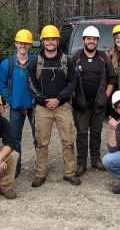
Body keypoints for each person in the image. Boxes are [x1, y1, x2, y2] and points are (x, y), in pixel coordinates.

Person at [27, 25, 80, 187]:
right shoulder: (35, 62)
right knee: (41, 142)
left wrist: (58, 99)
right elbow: (30, 84)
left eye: (53, 39)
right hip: (42, 108)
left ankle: (69, 173)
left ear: (57, 41)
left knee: (68, 141)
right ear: (42, 41)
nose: (50, 42)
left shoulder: (67, 61)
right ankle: (40, 174)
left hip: (63, 106)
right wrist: (44, 100)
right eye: (47, 39)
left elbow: (72, 82)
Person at [72, 26, 116, 177]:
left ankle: (95, 160)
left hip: (99, 104)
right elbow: (69, 79)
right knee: (82, 134)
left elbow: (112, 79)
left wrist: (105, 96)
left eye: (94, 39)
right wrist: (73, 96)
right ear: (83, 40)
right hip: (81, 105)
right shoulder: (76, 57)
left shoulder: (104, 57)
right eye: (89, 38)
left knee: (96, 133)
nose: (91, 41)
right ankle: (81, 163)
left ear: (97, 41)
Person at [0, 29, 36, 177]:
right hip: (15, 108)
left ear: (30, 45)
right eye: (21, 43)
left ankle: (40, 170)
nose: (23, 46)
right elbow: (1, 85)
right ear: (16, 43)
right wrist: (9, 100)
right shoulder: (6, 64)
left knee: (39, 138)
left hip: (34, 107)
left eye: (26, 43)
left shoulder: (35, 61)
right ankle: (16, 167)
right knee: (14, 139)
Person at [0, 111, 19, 200]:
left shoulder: (3, 121)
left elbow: (10, 142)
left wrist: (0, 158)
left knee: (13, 155)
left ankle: (5, 186)